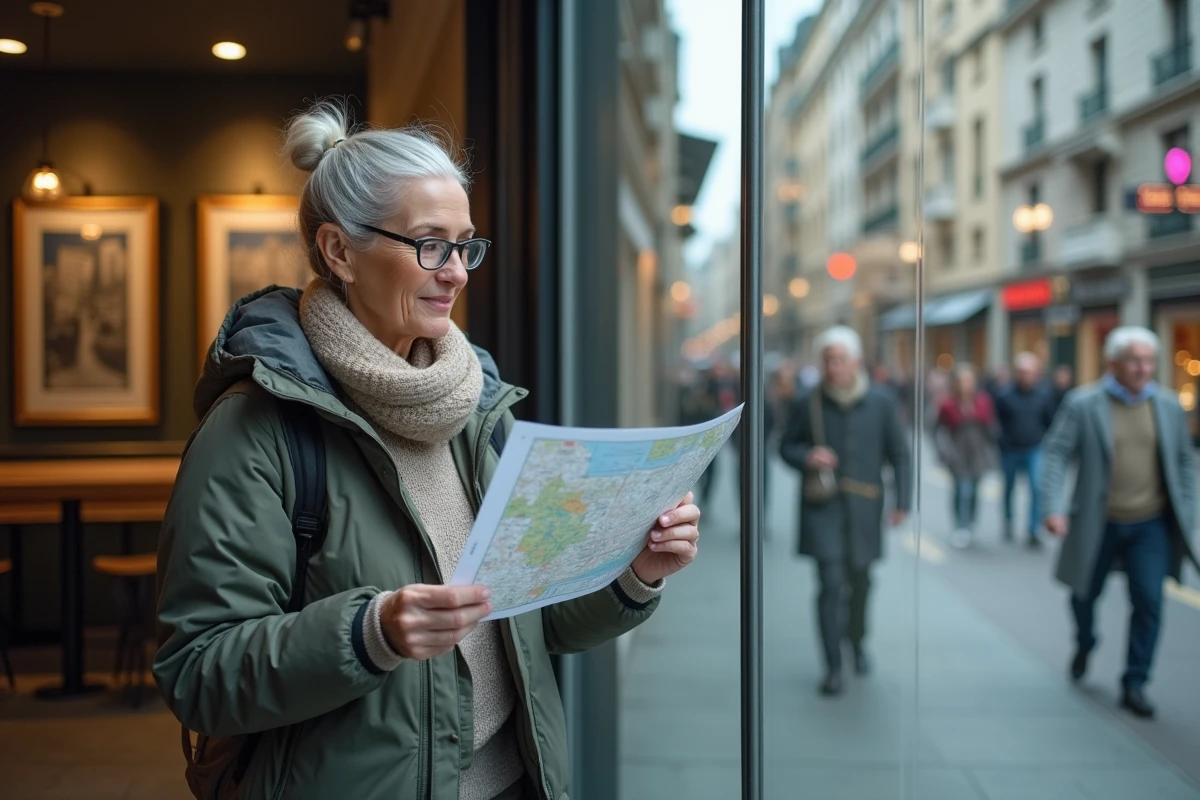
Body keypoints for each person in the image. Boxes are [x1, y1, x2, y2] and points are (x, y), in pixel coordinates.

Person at [153, 100, 703, 799]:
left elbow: (530, 625)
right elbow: (199, 674)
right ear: (338, 251)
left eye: (465, 244)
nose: (457, 272)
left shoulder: (482, 409)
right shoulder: (255, 429)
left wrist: (636, 572)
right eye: (429, 244)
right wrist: (368, 632)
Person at [1039, 327, 1197, 719]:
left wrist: (1188, 512)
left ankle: (1135, 682)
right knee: (1083, 594)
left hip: (1150, 524)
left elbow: (1183, 460)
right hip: (1099, 521)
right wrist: (1052, 508)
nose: (1143, 368)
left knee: (1149, 601)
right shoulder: (1083, 404)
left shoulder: (1169, 405)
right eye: (1134, 360)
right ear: (1113, 363)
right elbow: (1056, 454)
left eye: (1149, 361)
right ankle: (1086, 640)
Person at [779, 327, 912, 697]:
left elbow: (900, 455)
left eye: (840, 360)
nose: (833, 367)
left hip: (866, 509)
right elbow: (785, 446)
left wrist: (903, 503)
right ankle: (833, 665)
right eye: (828, 360)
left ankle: (857, 640)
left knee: (861, 583)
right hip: (823, 509)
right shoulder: (809, 402)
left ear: (856, 362)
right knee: (830, 584)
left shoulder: (882, 403)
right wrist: (807, 456)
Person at [993, 352, 1057, 548]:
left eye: (1029, 372)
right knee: (1009, 487)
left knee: (1037, 487)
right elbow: (997, 422)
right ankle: (1009, 521)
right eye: (1022, 372)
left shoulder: (1044, 394)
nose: (1025, 376)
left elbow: (1050, 420)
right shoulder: (1004, 395)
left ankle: (1033, 529)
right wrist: (1002, 440)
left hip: (1034, 448)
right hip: (1010, 449)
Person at [935, 364, 998, 549]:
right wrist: (945, 452)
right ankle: (960, 526)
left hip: (978, 452)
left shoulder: (983, 401)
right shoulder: (948, 404)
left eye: (969, 380)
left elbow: (990, 428)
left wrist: (991, 451)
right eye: (962, 380)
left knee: (975, 491)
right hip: (958, 452)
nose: (966, 384)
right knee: (963, 489)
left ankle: (970, 522)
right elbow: (938, 430)